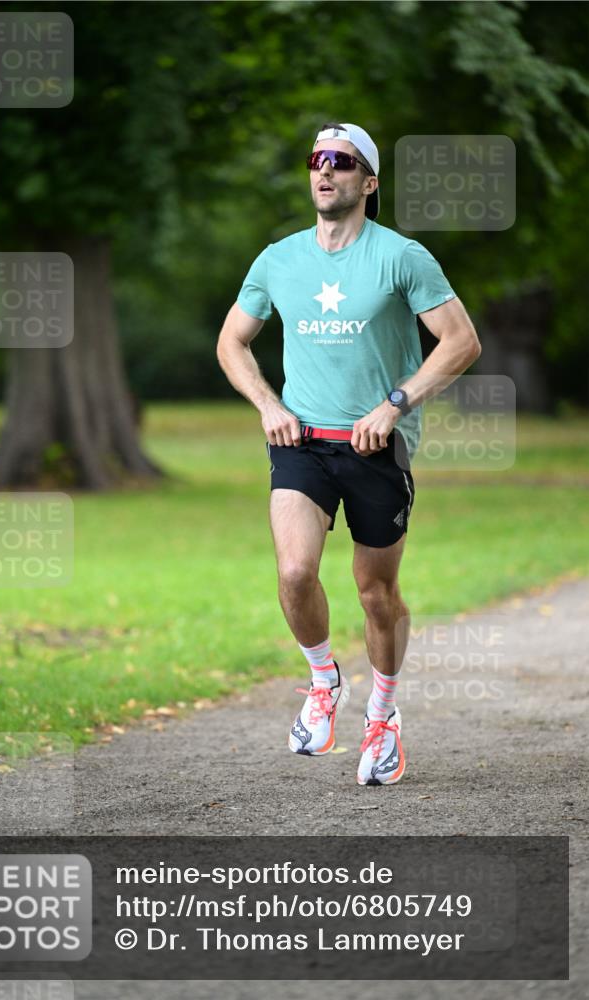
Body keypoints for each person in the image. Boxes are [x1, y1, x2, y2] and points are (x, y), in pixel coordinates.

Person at [216, 122, 481, 786]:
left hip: (377, 449)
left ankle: (383, 717)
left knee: (375, 593)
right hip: (301, 443)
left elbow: (460, 342)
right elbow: (230, 342)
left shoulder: (402, 258)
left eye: (341, 160)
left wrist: (395, 404)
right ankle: (322, 681)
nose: (325, 170)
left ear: (368, 182)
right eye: (316, 159)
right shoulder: (277, 259)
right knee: (294, 572)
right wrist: (268, 405)